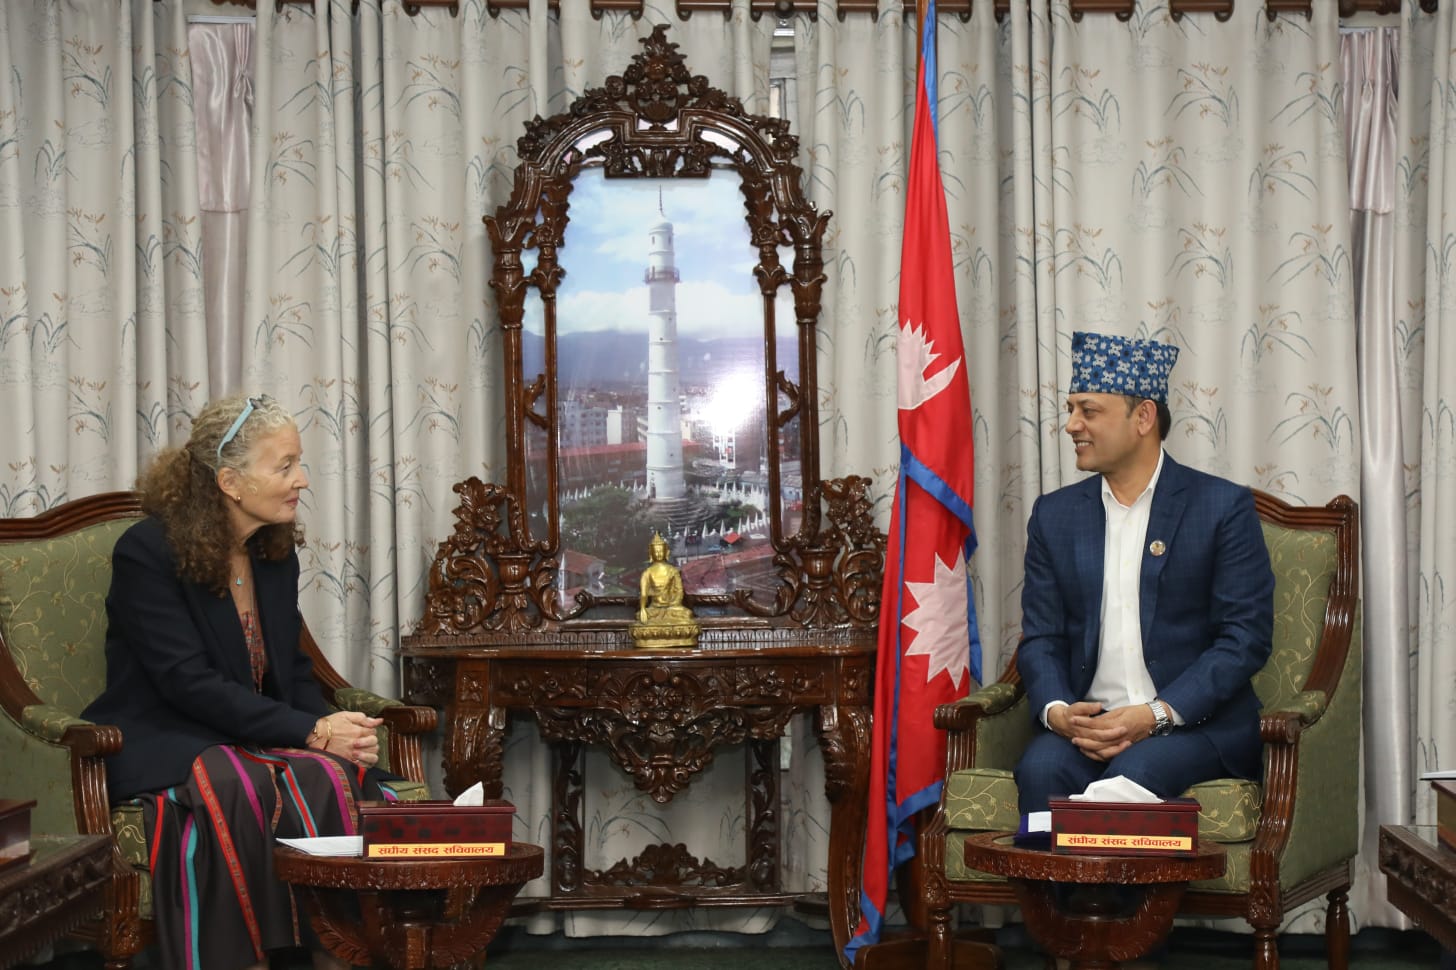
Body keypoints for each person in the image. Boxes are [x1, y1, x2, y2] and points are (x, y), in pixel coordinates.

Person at [82, 394, 391, 970]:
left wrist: (333, 729)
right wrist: (310, 731)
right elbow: (185, 684)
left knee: (328, 774)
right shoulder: (146, 552)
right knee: (237, 784)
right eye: (284, 465)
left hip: (243, 731)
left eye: (299, 462)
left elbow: (290, 671)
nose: (302, 479)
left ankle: (337, 953)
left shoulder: (274, 552)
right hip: (167, 733)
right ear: (229, 481)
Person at [1013, 331, 1274, 814]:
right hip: (1089, 726)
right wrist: (1059, 712)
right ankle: (1053, 872)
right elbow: (1042, 637)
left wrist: (1154, 715)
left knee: (1132, 777)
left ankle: (1110, 869)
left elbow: (1244, 639)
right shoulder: (1055, 515)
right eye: (1070, 409)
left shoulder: (1220, 508)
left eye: (1089, 411)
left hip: (1193, 726)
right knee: (1040, 771)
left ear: (1144, 417)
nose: (1071, 425)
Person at [636, 532, 692, 625]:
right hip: (654, 608)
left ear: (667, 552)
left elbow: (679, 590)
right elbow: (644, 594)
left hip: (671, 607)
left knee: (686, 614)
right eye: (656, 551)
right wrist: (642, 608)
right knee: (640, 615)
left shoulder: (672, 570)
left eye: (661, 551)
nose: (658, 554)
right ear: (651, 553)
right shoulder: (647, 573)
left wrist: (674, 603)